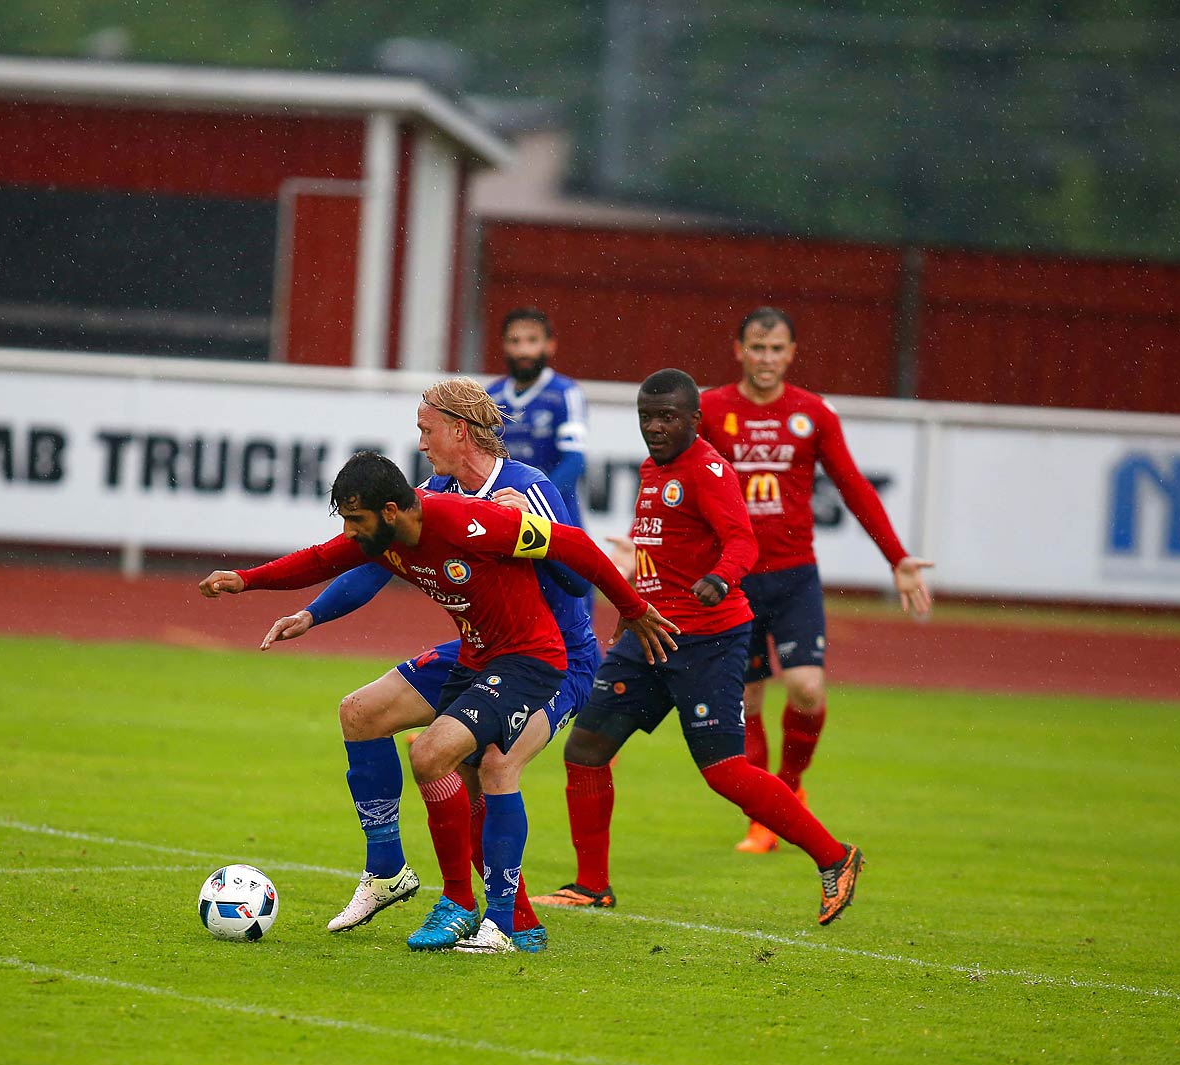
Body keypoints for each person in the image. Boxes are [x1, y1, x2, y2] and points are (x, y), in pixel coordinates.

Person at [200, 450, 675, 953]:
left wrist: (634, 607)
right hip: (476, 658)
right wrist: (247, 580)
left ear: (389, 511)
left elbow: (573, 544)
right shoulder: (381, 538)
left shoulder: (467, 521)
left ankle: (474, 910)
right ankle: (498, 918)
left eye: (356, 520)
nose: (351, 533)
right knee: (441, 763)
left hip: (529, 661)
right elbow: (319, 560)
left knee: (436, 756)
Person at [252, 379, 604, 954]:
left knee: (489, 765)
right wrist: (313, 615)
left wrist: (535, 535)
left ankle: (510, 923)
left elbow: (575, 577)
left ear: (458, 430)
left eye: (425, 429)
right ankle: (389, 872)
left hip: (554, 660)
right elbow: (373, 561)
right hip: (478, 651)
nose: (420, 442)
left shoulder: (527, 488)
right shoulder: (433, 492)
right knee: (361, 712)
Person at [534, 368, 866, 926]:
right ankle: (591, 886)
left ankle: (837, 858)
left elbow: (742, 538)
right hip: (651, 634)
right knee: (586, 747)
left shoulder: (708, 469)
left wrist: (722, 577)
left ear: (694, 420)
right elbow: (654, 552)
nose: (655, 427)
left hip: (708, 640)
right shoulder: (651, 468)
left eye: (667, 418)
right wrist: (626, 614)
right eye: (647, 417)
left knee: (722, 770)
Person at [699, 307, 933, 853]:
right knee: (748, 700)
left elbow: (853, 486)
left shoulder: (812, 413)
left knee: (807, 687)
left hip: (794, 576)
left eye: (777, 349)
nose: (766, 358)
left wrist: (896, 558)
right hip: (734, 579)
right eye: (757, 348)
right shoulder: (710, 410)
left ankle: (791, 785)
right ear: (738, 350)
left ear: (791, 353)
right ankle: (764, 817)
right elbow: (679, 486)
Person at [487, 307, 588, 527]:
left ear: (550, 345)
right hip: (503, 516)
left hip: (556, 519)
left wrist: (534, 501)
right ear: (504, 345)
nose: (523, 350)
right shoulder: (490, 396)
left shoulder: (565, 393)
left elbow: (574, 461)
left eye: (532, 340)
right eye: (515, 341)